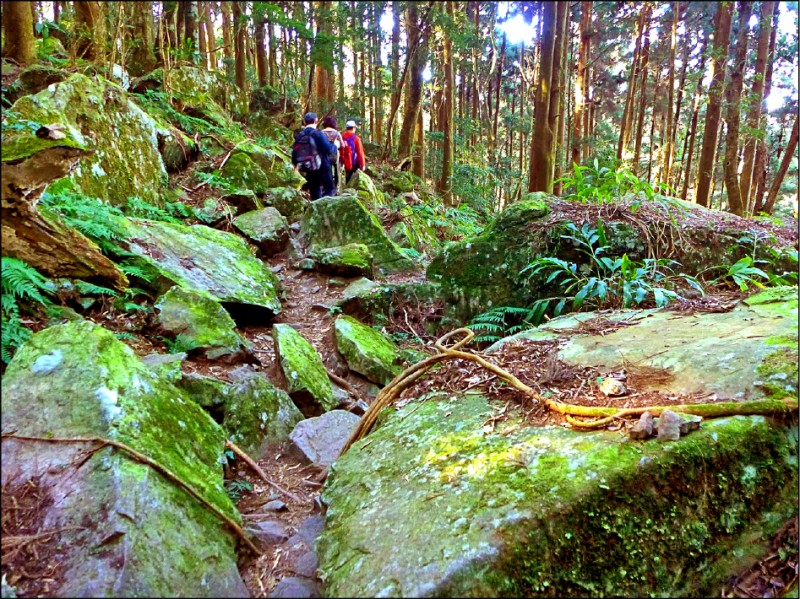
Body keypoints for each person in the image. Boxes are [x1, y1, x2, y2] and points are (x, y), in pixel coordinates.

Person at [291, 112, 337, 200]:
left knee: (315, 192)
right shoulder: (318, 134)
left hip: (308, 167)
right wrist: (335, 146)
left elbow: (294, 152)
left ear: (304, 122)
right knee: (330, 188)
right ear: (316, 121)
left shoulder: (300, 135)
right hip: (323, 166)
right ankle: (323, 206)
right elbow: (328, 149)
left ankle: (315, 208)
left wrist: (295, 165)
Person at [321, 115, 345, 194]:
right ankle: (336, 188)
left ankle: (326, 187)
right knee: (336, 170)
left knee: (326, 170)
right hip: (334, 154)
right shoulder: (337, 133)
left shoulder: (321, 132)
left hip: (324, 154)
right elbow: (342, 145)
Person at [341, 119, 366, 184]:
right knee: (354, 179)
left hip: (344, 161)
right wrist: (363, 164)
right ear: (353, 128)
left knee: (347, 177)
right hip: (354, 163)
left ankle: (346, 188)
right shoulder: (356, 138)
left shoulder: (341, 136)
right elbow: (360, 152)